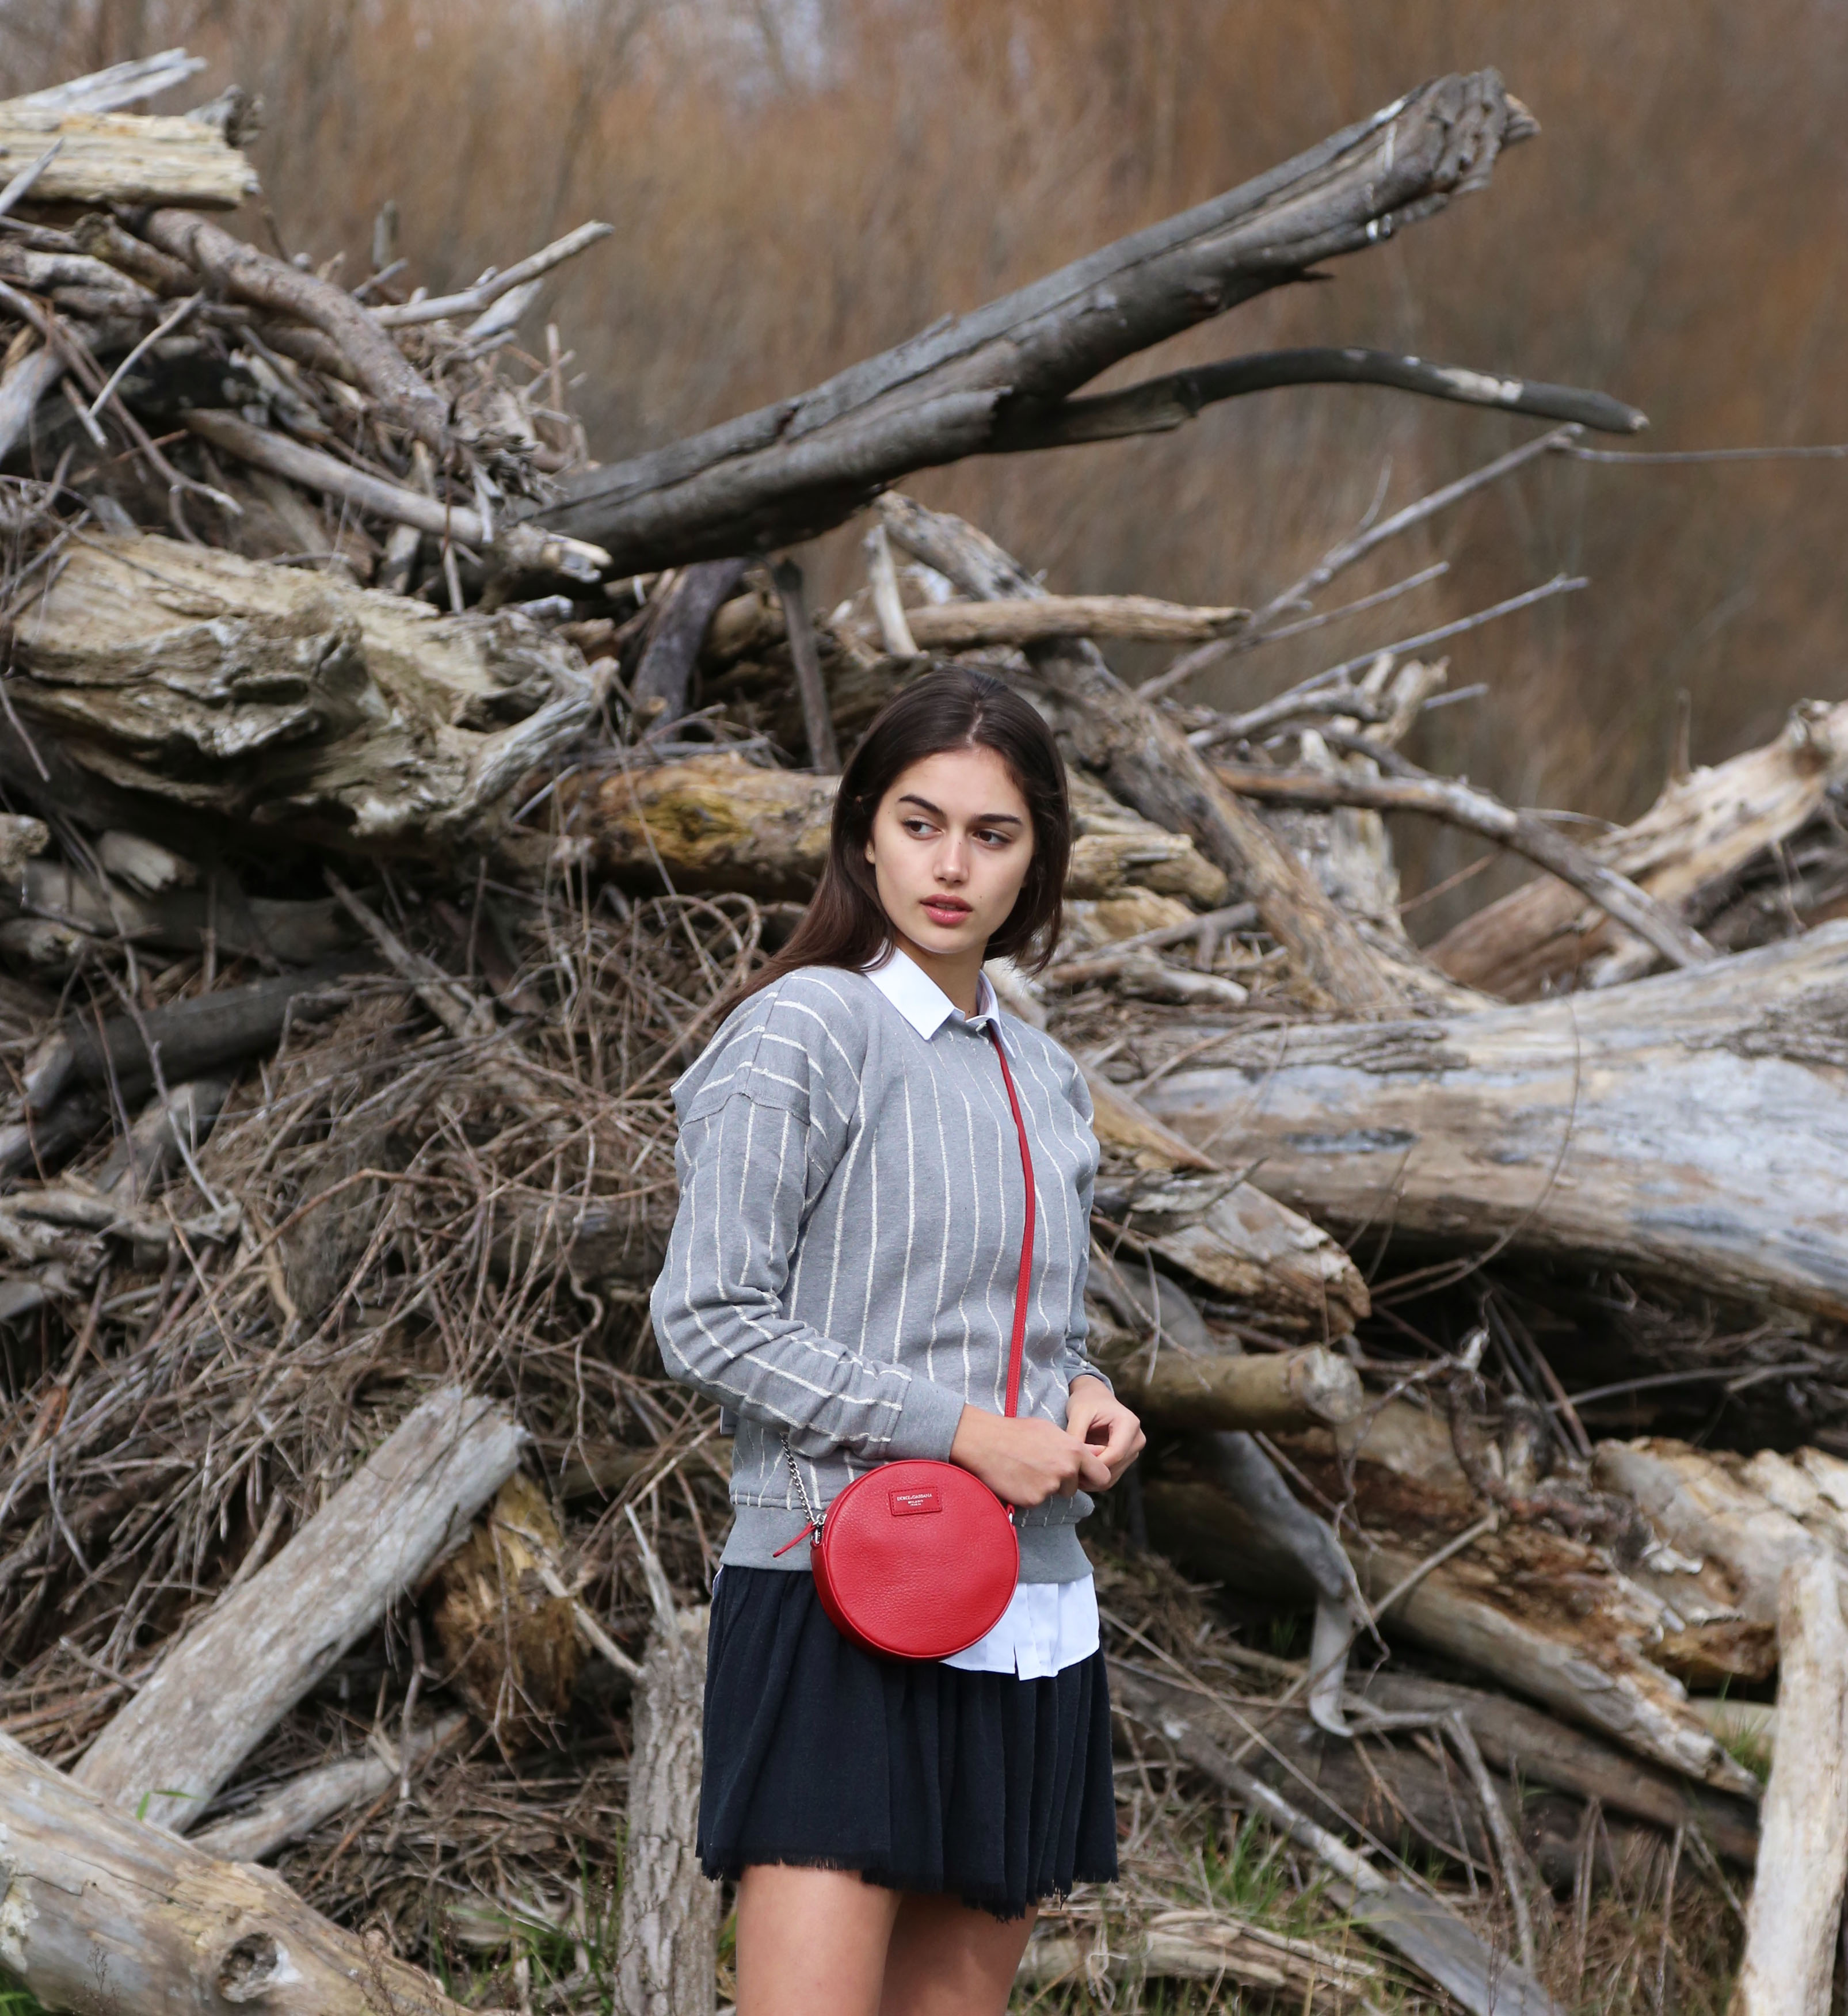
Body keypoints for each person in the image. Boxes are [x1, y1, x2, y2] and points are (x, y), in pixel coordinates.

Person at [651, 663, 1144, 2016]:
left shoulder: (1042, 1071)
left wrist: (1086, 1396)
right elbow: (706, 1316)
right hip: (839, 1590)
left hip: (1029, 1607)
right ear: (864, 830)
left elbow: (1036, 1326)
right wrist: (965, 1434)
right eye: (920, 823)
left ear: (1037, 859)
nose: (951, 866)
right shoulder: (803, 1029)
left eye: (993, 834)